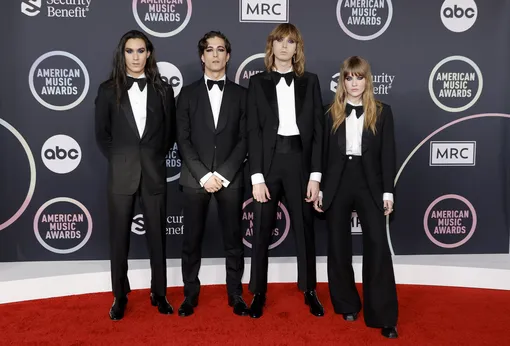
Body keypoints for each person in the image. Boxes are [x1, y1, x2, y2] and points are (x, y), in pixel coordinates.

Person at [314, 56, 399, 338]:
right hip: (337, 183)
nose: (354, 83)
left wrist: (388, 191)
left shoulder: (383, 112)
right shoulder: (329, 113)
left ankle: (383, 315)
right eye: (349, 78)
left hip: (370, 184)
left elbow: (388, 155)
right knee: (338, 246)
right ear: (342, 81)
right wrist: (321, 187)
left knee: (377, 247)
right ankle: (346, 302)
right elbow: (321, 155)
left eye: (359, 77)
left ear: (367, 80)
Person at [95, 29, 176, 320]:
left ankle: (160, 292)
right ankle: (120, 295)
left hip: (154, 173)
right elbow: (102, 135)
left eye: (141, 51)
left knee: (158, 238)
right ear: (122, 54)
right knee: (119, 240)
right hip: (121, 175)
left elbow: (169, 135)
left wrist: (150, 157)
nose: (136, 57)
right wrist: (122, 159)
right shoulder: (107, 90)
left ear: (149, 53)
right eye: (130, 51)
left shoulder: (164, 90)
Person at [246, 23, 324, 318]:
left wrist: (315, 176)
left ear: (297, 48)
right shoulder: (257, 83)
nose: (284, 46)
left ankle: (310, 290)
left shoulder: (311, 81)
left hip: (300, 163)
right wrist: (256, 177)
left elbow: (318, 132)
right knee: (261, 230)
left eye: (290, 42)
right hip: (268, 163)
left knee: (305, 230)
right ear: (272, 46)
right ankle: (258, 293)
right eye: (279, 41)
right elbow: (253, 131)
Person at [176, 31, 249, 317]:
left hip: (231, 179)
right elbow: (182, 139)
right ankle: (190, 295)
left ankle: (235, 295)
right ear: (202, 56)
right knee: (191, 241)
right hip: (195, 179)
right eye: (210, 49)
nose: (215, 54)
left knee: (234, 241)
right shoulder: (187, 94)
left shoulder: (242, 95)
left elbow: (245, 139)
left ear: (228, 56)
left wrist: (225, 173)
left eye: (221, 49)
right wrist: (205, 176)